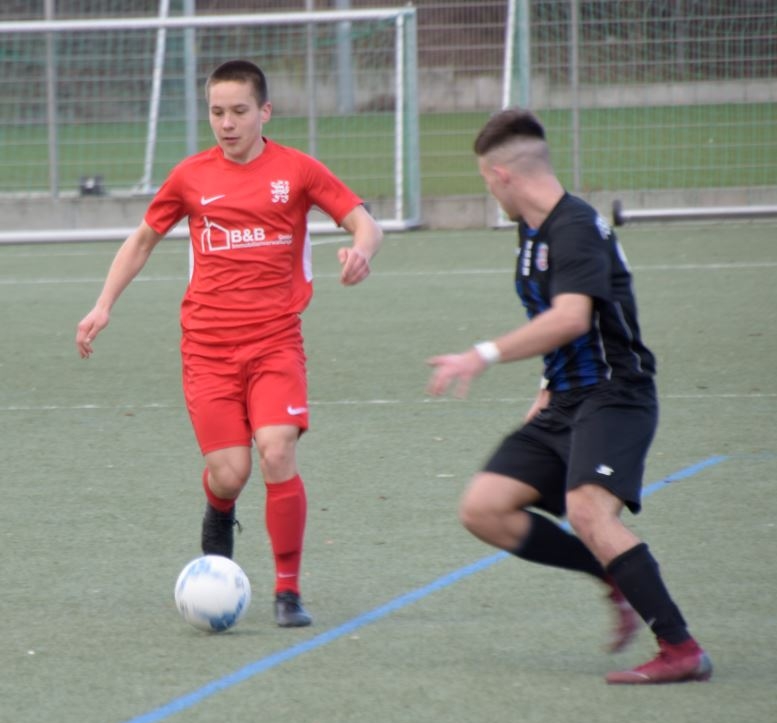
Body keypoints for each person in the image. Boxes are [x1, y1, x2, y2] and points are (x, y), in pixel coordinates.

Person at [76, 59, 383, 628]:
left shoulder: (297, 171)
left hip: (275, 342)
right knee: (231, 473)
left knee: (276, 450)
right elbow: (142, 240)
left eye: (239, 111)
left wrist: (361, 251)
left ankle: (287, 592)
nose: (227, 123)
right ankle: (219, 509)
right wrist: (103, 304)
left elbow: (364, 221)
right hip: (207, 349)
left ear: (265, 112)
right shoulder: (191, 176)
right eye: (217, 112)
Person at [426, 108, 711, 684]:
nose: (489, 192)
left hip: (616, 395)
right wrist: (545, 384)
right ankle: (611, 574)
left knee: (587, 511)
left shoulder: (574, 227)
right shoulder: (532, 230)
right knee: (483, 509)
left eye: (485, 181)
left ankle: (681, 649)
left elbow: (572, 318)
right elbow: (556, 318)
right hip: (564, 401)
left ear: (502, 174)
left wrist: (481, 354)